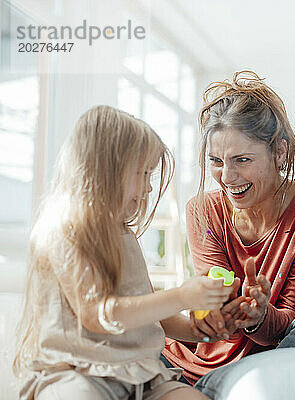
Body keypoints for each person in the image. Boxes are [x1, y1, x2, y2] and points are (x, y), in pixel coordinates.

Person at [13, 106, 234, 400]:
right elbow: (97, 315)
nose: (147, 188)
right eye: (142, 173)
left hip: (143, 376)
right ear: (105, 169)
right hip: (79, 372)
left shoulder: (123, 233)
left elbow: (147, 314)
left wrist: (202, 332)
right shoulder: (62, 230)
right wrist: (182, 296)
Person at [161, 71, 295, 386]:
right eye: (216, 161)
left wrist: (260, 316)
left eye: (242, 160)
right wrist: (217, 309)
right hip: (208, 363)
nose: (226, 176)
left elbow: (294, 317)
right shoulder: (202, 210)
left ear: (279, 153)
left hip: (282, 360)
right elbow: (215, 306)